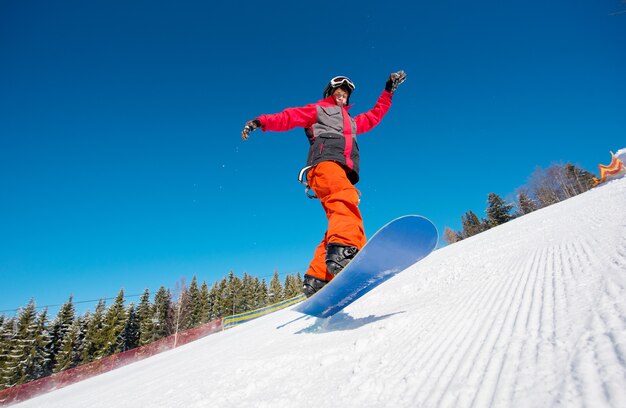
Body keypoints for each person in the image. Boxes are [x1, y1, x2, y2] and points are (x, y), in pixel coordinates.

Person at [241, 71, 407, 297]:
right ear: (330, 93)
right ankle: (343, 251)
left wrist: (388, 91)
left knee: (342, 217)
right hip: (326, 165)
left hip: (339, 171)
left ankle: (318, 277)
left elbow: (376, 115)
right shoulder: (318, 110)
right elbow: (289, 116)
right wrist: (261, 121)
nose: (342, 97)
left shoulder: (352, 122)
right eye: (338, 93)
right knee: (345, 200)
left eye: (345, 95)